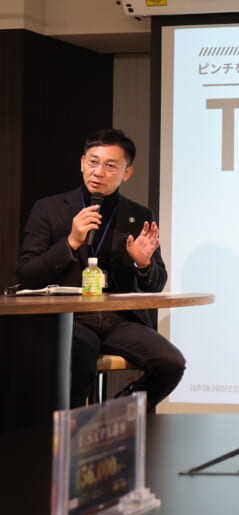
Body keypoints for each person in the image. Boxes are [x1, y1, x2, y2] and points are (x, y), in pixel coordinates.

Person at [17, 129, 184, 411]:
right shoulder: (49, 209)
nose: (99, 172)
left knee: (170, 363)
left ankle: (118, 413)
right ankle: (72, 431)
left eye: (110, 165)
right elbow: (27, 274)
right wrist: (70, 242)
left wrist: (143, 263)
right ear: (82, 163)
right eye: (93, 162)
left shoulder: (139, 215)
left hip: (118, 319)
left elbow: (156, 284)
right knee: (78, 364)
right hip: (69, 318)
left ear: (126, 173)